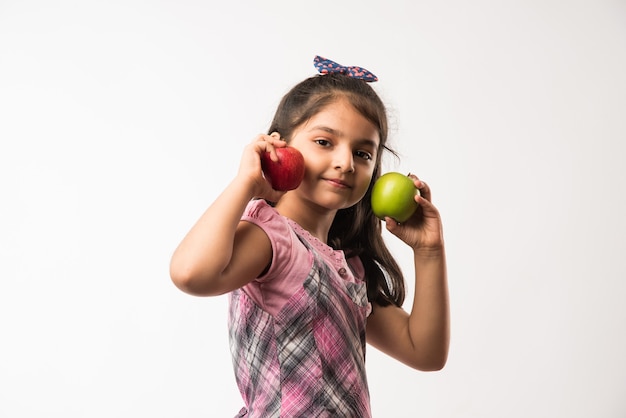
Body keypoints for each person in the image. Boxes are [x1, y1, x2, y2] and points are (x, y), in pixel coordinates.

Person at [169, 56, 450, 417]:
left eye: (363, 153)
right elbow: (190, 274)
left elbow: (423, 351)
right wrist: (245, 183)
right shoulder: (270, 237)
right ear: (279, 145)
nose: (346, 162)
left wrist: (429, 251)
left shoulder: (348, 269)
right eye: (324, 141)